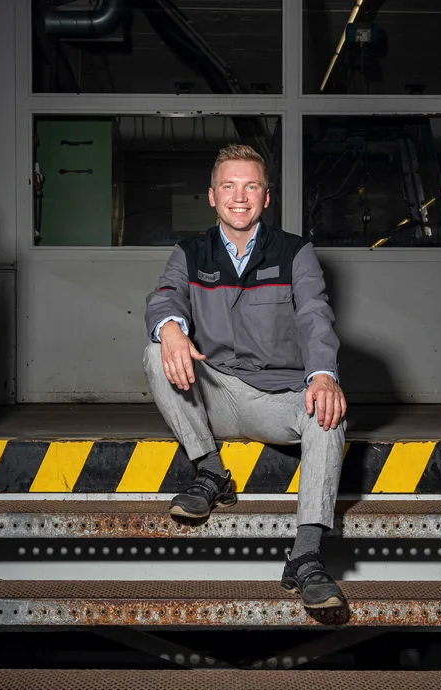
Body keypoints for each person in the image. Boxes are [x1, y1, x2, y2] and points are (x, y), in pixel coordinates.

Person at [143, 143, 347, 609]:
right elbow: (164, 296)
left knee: (329, 413)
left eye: (251, 186)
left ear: (266, 197)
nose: (240, 196)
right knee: (156, 349)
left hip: (278, 397)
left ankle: (306, 557)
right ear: (212, 196)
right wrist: (171, 328)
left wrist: (323, 375)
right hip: (211, 394)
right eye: (229, 186)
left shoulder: (296, 252)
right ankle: (212, 473)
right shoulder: (190, 253)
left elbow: (316, 316)